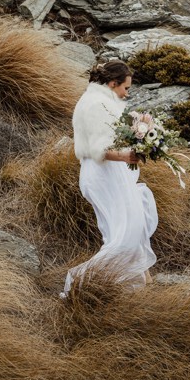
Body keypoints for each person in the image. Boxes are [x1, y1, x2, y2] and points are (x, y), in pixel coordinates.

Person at [61, 61, 158, 298]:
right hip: (102, 176)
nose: (127, 93)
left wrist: (143, 130)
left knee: (133, 229)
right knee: (123, 237)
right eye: (125, 88)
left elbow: (116, 135)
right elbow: (99, 149)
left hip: (113, 175)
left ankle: (144, 285)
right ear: (113, 84)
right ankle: (79, 284)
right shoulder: (96, 104)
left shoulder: (106, 101)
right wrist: (126, 155)